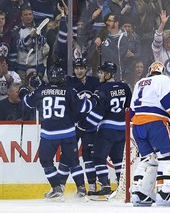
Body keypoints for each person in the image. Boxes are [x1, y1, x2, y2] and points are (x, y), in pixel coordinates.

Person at [18, 65, 100, 201]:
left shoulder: (41, 90)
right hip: (67, 132)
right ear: (62, 78)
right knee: (73, 162)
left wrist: (24, 91)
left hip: (49, 134)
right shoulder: (69, 91)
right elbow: (85, 107)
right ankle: (81, 189)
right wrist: (95, 100)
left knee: (45, 160)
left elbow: (27, 102)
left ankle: (57, 188)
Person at [129, 61, 170, 207]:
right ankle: (165, 191)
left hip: (138, 126)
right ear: (162, 71)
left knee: (147, 158)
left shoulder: (140, 83)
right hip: (156, 124)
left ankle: (140, 193)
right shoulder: (163, 80)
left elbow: (132, 110)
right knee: (168, 156)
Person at [57, 58, 101, 195]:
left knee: (89, 156)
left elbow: (100, 100)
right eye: (76, 68)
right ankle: (60, 186)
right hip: (73, 126)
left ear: (86, 68)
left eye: (81, 68)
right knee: (67, 155)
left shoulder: (94, 81)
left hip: (90, 126)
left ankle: (92, 186)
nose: (79, 71)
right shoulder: (69, 82)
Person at [88, 61, 132, 199]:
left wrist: (86, 125)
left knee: (97, 158)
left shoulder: (102, 90)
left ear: (108, 74)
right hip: (122, 129)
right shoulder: (125, 87)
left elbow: (98, 112)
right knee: (118, 159)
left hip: (107, 129)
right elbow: (129, 108)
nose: (99, 75)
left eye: (101, 72)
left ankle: (105, 186)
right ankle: (121, 186)